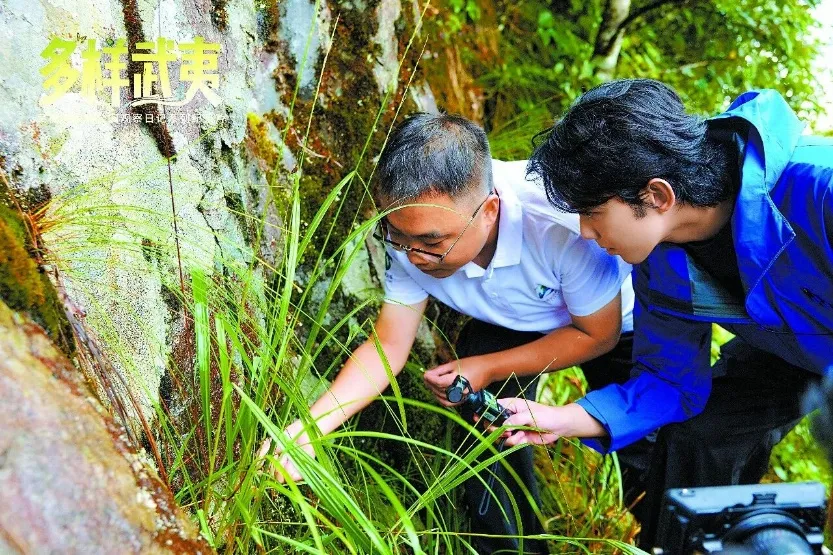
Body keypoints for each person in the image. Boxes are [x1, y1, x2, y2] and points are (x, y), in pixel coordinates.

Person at [268, 112, 642, 554]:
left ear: (489, 210)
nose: (415, 256)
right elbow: (389, 344)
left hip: (615, 325)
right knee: (487, 422)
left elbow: (597, 335)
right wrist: (311, 428)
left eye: (431, 241)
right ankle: (511, 547)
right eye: (398, 235)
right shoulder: (409, 234)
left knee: (649, 449)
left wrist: (487, 365)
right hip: (516, 321)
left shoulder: (561, 222)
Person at [500, 78, 832, 549]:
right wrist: (561, 417)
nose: (587, 235)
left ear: (656, 195)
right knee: (699, 437)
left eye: (593, 215)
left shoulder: (819, 190)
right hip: (785, 348)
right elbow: (670, 381)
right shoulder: (661, 261)